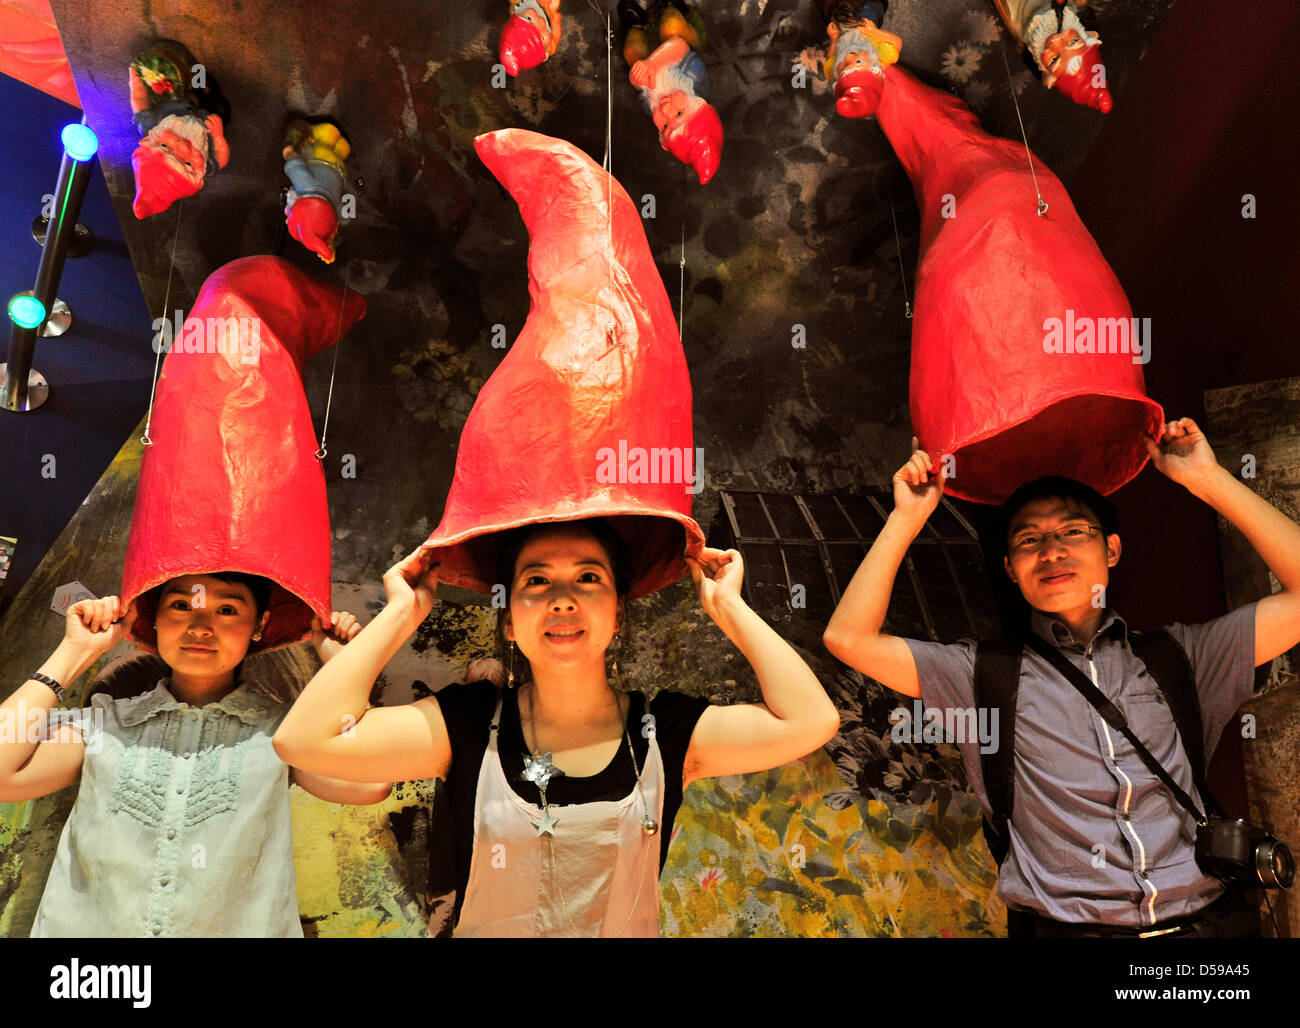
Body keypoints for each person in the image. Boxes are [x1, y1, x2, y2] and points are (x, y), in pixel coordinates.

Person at [824, 418, 1300, 937]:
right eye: (1029, 540)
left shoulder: (1183, 656)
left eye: (1073, 531)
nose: (1051, 551)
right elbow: (849, 639)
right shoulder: (979, 675)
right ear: (1009, 568)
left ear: (1111, 550)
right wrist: (907, 519)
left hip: (1205, 932)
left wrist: (1207, 479)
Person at [273, 517, 841, 937]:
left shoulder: (664, 732)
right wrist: (402, 612)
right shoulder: (469, 725)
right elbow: (304, 740)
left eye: (588, 578)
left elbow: (811, 721)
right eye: (537, 582)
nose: (564, 599)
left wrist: (729, 609)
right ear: (511, 621)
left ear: (618, 614)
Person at [1, 572, 390, 938]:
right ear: (154, 618)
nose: (200, 627)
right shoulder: (104, 723)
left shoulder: (284, 731)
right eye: (182, 606)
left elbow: (370, 782)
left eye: (227, 610)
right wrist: (72, 653)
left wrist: (345, 667)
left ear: (259, 624)